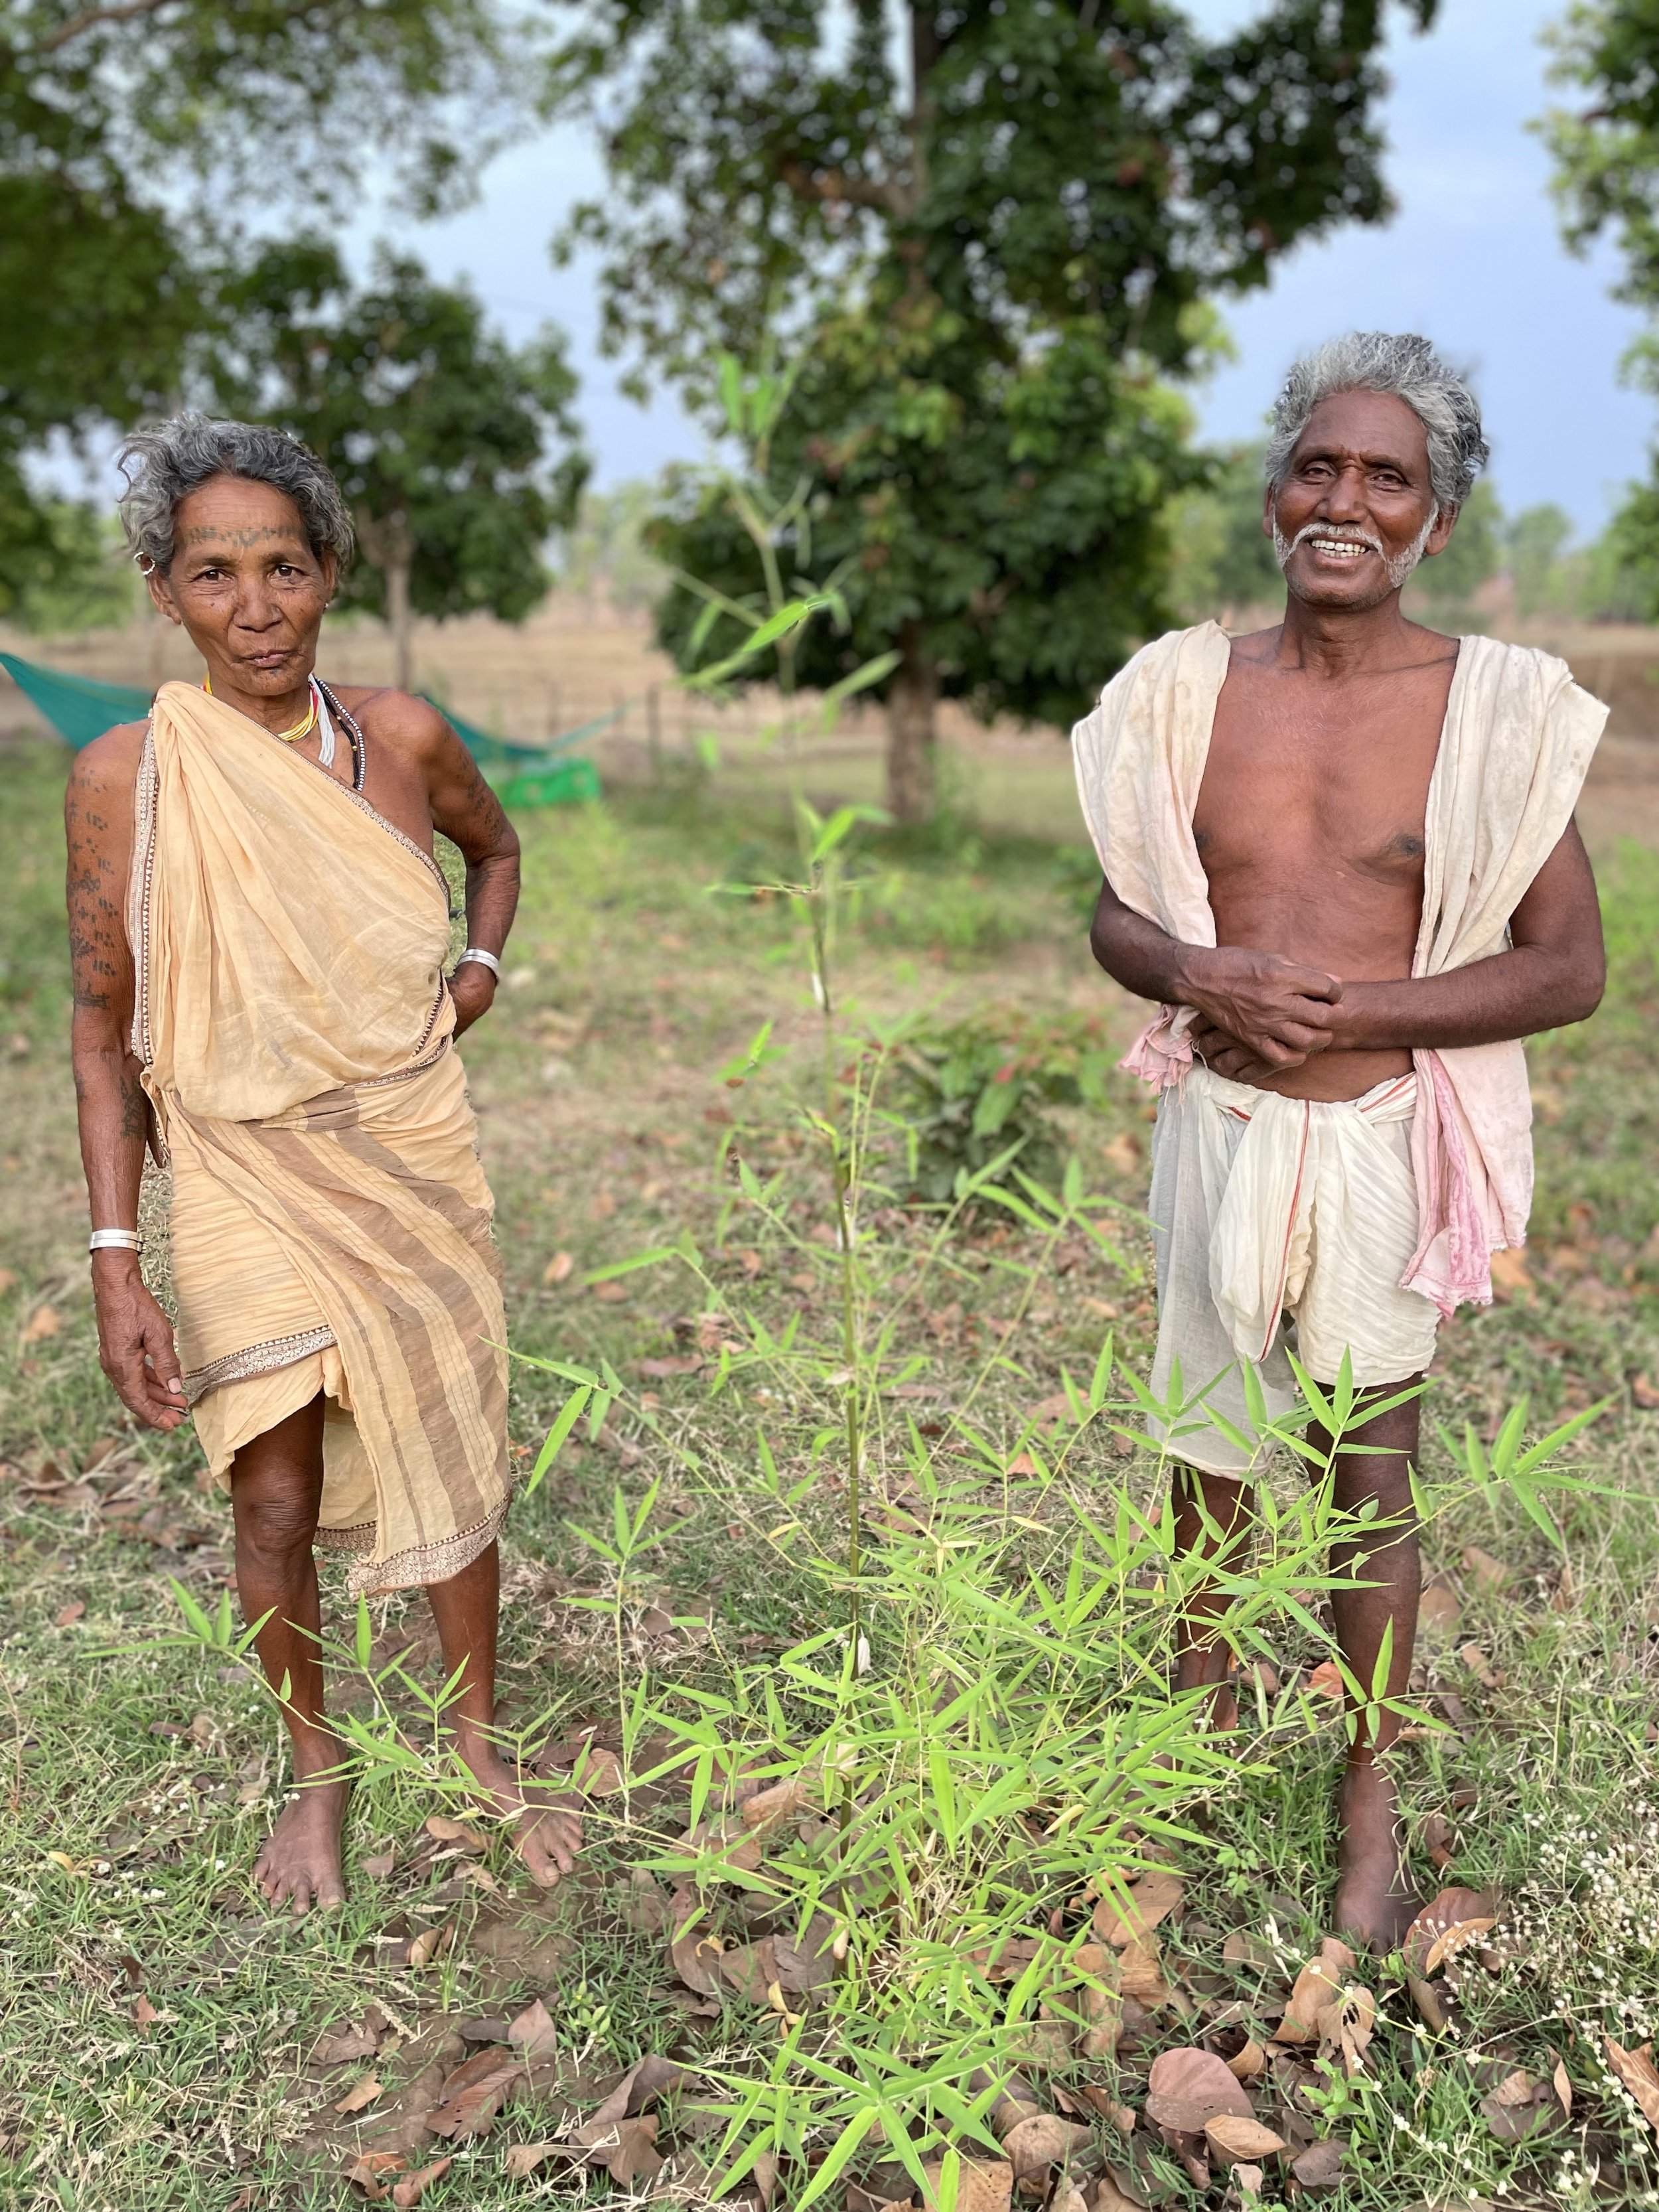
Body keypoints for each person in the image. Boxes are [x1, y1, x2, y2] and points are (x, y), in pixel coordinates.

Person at [1074, 332, 1607, 1947]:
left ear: (1432, 521)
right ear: (1270, 495)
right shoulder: (1179, 690)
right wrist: (1196, 969)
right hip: (1217, 1127)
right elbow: (1116, 911)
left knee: (1370, 1478)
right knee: (1202, 1456)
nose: (1345, 501)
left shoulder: (1494, 710)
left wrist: (1359, 1011)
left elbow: (1566, 967)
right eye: (1319, 466)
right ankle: (1197, 1721)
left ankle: (1367, 1781)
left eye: (1387, 478)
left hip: (1377, 1135)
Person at [66, 415, 579, 1912]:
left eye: (284, 566)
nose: (256, 605)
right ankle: (315, 1769)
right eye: (214, 573)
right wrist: (116, 1257)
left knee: (448, 1441)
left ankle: (478, 1744)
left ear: (331, 573)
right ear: (164, 592)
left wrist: (476, 972)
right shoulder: (126, 775)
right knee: (271, 1493)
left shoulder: (402, 737)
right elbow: (102, 1029)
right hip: (228, 1166)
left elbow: (497, 850)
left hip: (406, 1151)